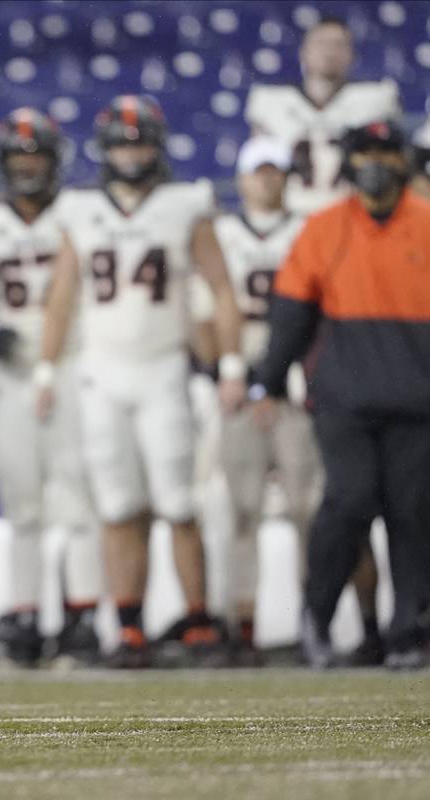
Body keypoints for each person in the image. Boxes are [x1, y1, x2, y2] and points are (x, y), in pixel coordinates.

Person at [37, 96, 245, 668]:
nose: (133, 152)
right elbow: (60, 298)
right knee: (118, 504)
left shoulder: (185, 204)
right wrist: (45, 369)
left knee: (179, 502)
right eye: (124, 142)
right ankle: (128, 625)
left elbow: (223, 288)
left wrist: (230, 364)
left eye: (141, 141)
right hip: (101, 372)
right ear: (106, 149)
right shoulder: (79, 209)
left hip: (163, 368)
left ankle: (198, 621)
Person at [250, 120, 430, 670]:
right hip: (344, 399)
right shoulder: (324, 229)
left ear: (405, 162)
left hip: (419, 402)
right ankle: (317, 617)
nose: (376, 164)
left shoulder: (426, 224)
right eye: (366, 153)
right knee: (348, 502)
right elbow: (291, 314)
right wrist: (269, 379)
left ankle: (408, 630)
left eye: (385, 153)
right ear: (348, 164)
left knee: (414, 514)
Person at [0, 107, 102, 665]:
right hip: (13, 378)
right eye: (18, 155)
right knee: (23, 505)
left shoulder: (82, 213)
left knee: (79, 499)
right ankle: (25, 616)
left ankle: (84, 618)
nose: (27, 165)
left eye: (36, 153)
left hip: (76, 368)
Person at [208, 137, 322, 662]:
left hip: (298, 385)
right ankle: (241, 625)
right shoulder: (221, 234)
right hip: (239, 380)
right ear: (242, 179)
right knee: (241, 510)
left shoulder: (309, 230)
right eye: (260, 171)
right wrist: (227, 371)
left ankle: (311, 623)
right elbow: (205, 312)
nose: (268, 179)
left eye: (276, 171)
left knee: (308, 508)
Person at [245, 14, 401, 216]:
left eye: (338, 44)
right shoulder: (270, 102)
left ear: (352, 55)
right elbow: (255, 175)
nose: (329, 52)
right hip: (291, 218)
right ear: (303, 52)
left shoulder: (375, 100)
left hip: (354, 217)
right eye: (321, 43)